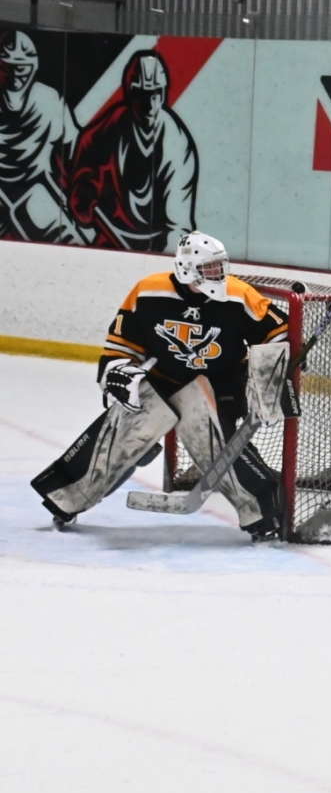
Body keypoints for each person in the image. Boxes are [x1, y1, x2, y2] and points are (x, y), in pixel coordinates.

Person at [31, 231, 289, 541]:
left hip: (219, 385)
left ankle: (263, 514)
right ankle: (67, 497)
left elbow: (279, 334)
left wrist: (269, 382)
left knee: (216, 447)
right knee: (121, 433)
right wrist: (118, 373)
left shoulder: (239, 295)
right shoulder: (148, 291)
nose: (218, 273)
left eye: (220, 265)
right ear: (187, 268)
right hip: (161, 380)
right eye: (209, 267)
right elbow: (121, 345)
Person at [69, 49, 199, 253]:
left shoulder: (179, 147)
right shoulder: (109, 128)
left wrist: (167, 258)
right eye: (144, 95)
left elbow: (178, 225)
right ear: (130, 93)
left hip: (158, 245)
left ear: (164, 93)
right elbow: (85, 164)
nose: (150, 104)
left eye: (156, 93)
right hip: (110, 237)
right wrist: (85, 190)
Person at [0, 31, 84, 244]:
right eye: (7, 68)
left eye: (21, 68)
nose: (14, 75)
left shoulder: (50, 100)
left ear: (33, 67)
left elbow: (76, 148)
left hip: (42, 197)